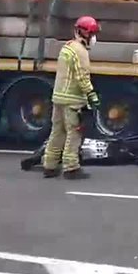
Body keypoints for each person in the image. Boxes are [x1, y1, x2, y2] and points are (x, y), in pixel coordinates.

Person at [42, 16, 101, 180]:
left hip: (58, 97)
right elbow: (82, 77)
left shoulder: (67, 47)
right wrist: (92, 95)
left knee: (57, 132)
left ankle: (50, 165)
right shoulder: (81, 52)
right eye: (92, 34)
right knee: (74, 134)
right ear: (84, 33)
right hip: (73, 100)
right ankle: (71, 168)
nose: (94, 38)